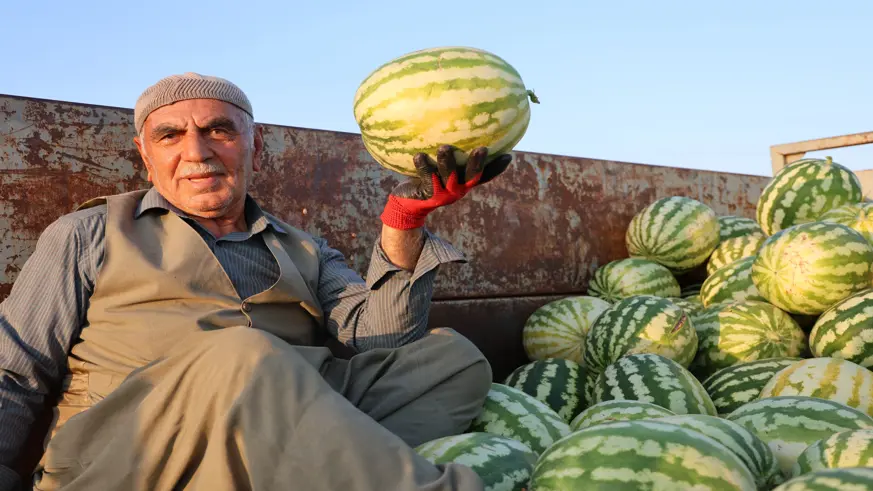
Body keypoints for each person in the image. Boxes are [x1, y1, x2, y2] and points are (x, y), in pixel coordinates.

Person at [0, 72, 513, 491]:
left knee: (451, 360)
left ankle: (286, 470)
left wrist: (403, 224)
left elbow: (384, 339)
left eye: (219, 130)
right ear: (145, 155)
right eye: (170, 135)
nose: (197, 152)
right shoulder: (87, 234)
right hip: (129, 455)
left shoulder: (303, 247)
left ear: (255, 143)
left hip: (274, 414)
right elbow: (13, 371)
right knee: (245, 354)